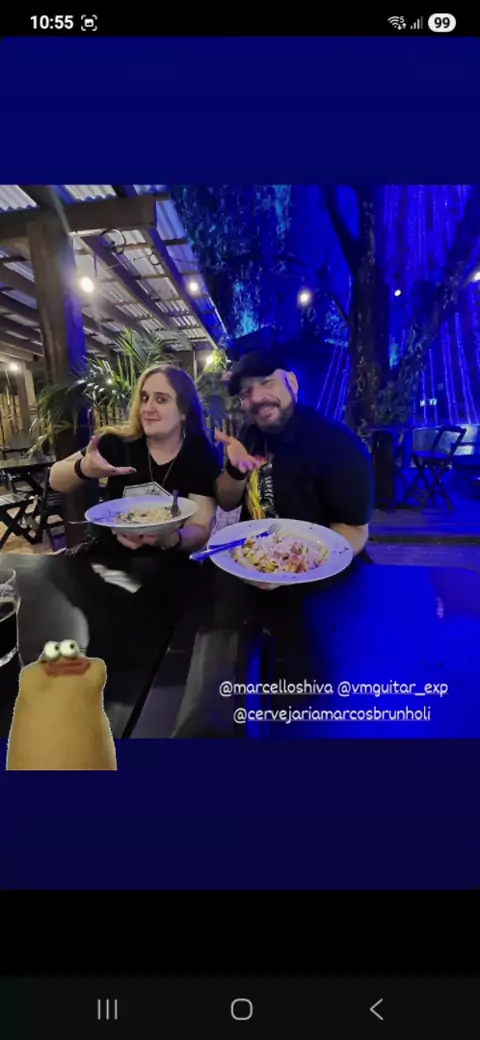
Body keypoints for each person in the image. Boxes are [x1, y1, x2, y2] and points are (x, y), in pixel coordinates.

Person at [49, 364, 221, 555]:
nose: (147, 408)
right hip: (105, 555)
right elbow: (55, 479)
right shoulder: (116, 442)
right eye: (145, 398)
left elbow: (200, 527)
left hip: (168, 562)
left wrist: (173, 539)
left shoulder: (201, 456)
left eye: (161, 399)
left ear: (184, 411)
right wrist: (83, 469)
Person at [215, 350, 374, 556]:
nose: (256, 397)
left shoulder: (337, 444)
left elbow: (354, 530)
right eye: (246, 393)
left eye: (267, 382)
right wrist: (235, 470)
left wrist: (298, 563)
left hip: (315, 563)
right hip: (255, 557)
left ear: (292, 383)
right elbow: (226, 503)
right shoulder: (248, 434)